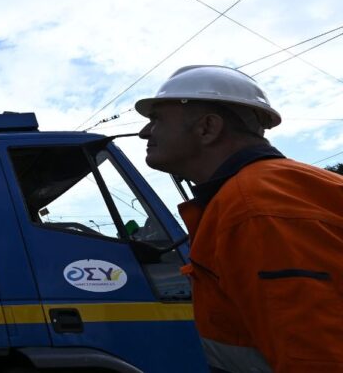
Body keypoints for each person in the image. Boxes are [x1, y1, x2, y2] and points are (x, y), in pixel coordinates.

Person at [136, 65, 343, 372]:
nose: (145, 132)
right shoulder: (260, 193)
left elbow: (317, 358)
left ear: (208, 128)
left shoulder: (255, 208)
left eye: (157, 119)